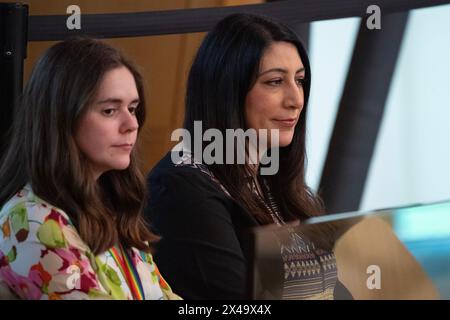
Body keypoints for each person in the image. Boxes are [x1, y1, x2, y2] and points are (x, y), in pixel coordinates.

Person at [145, 13, 344, 300]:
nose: (296, 99)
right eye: (275, 81)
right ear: (228, 90)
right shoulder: (181, 187)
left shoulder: (271, 178)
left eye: (299, 80)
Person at [0, 37, 179, 300]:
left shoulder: (109, 203)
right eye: (109, 110)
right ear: (62, 118)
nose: (132, 124)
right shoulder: (33, 220)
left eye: (132, 108)